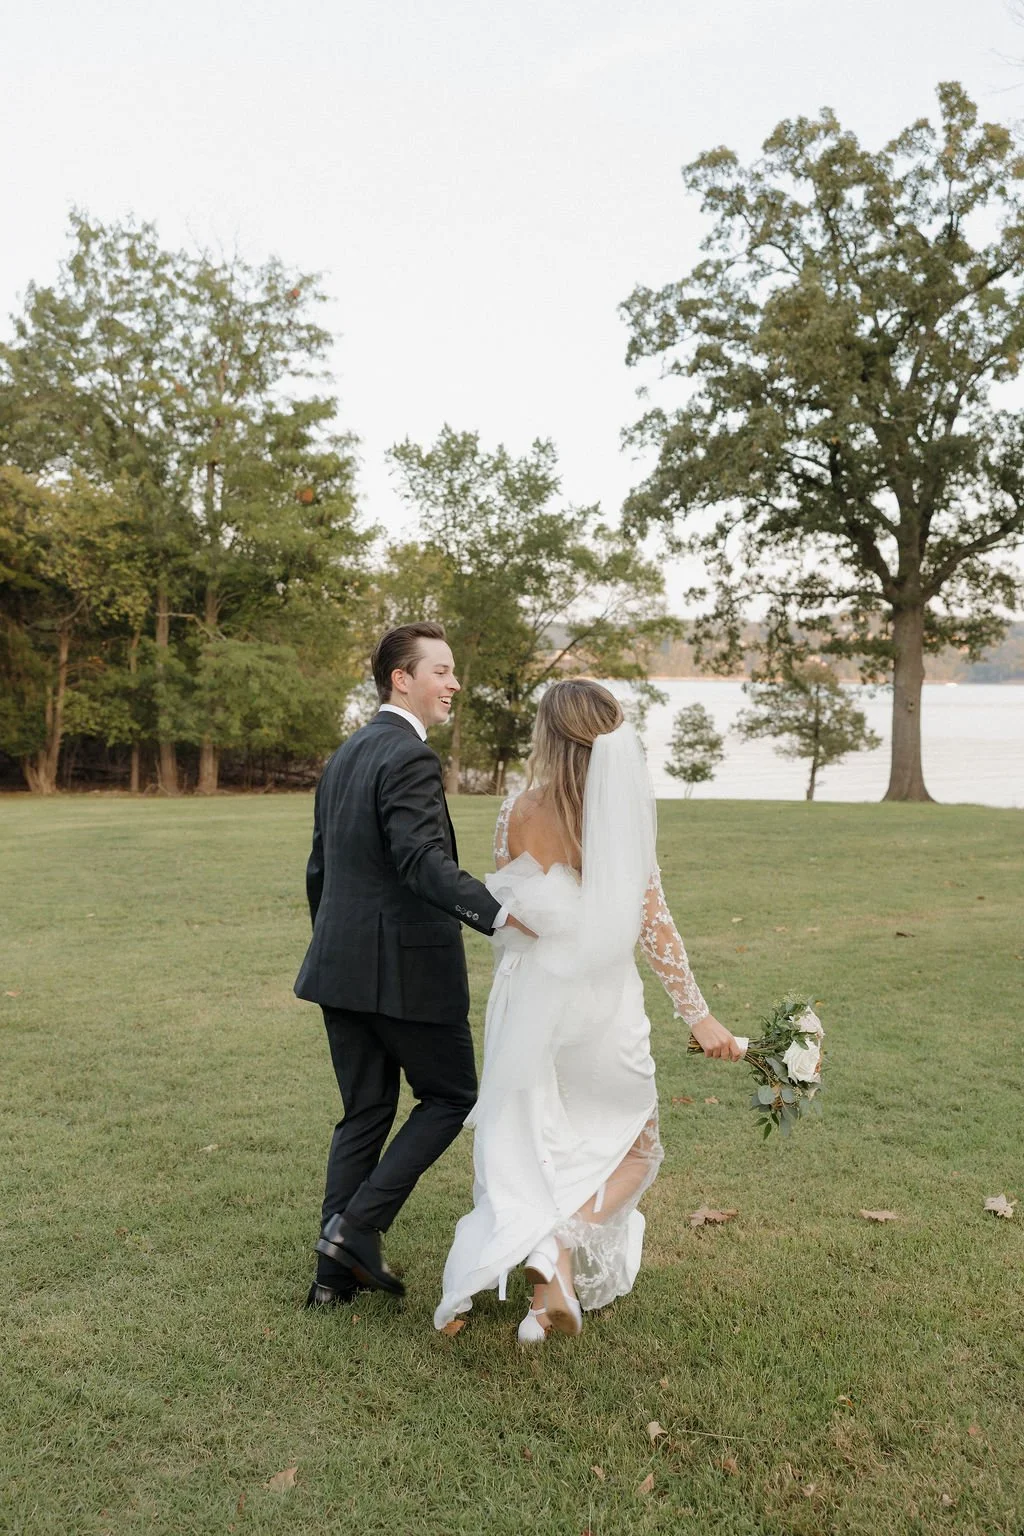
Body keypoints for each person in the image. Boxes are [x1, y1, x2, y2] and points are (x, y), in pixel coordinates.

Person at [435, 678, 742, 1342]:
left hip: (529, 997)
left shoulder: (515, 810)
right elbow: (653, 924)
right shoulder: (617, 820)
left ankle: (552, 1275)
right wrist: (698, 1014)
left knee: (542, 1139)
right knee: (638, 1144)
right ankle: (557, 1259)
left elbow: (504, 916)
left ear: (548, 737)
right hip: (601, 1000)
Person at [294, 621, 530, 1308]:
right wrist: (501, 913)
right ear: (402, 678)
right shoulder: (408, 757)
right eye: (441, 671)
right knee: (452, 1095)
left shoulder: (347, 755)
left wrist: (337, 947)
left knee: (365, 1112)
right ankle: (357, 1230)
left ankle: (331, 1283)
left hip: (339, 966)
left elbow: (320, 871)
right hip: (405, 971)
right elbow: (420, 861)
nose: (454, 683)